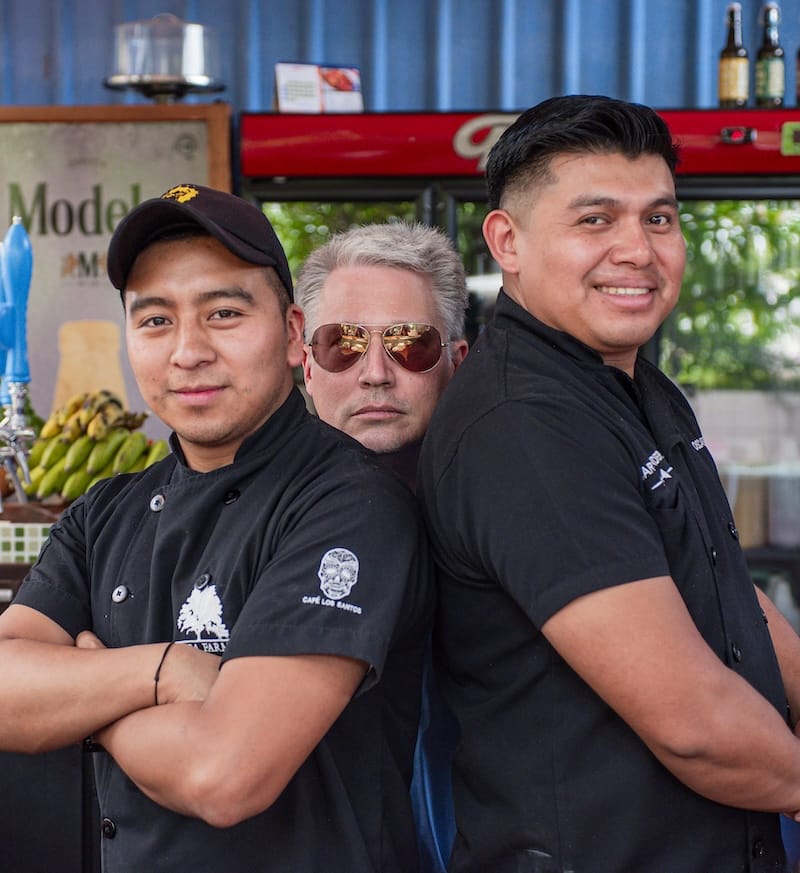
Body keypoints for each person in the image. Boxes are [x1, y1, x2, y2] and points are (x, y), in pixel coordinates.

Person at [416, 94, 800, 873]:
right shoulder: (524, 423)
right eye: (596, 220)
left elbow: (726, 589)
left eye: (658, 219)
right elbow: (691, 722)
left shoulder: (634, 384)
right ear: (507, 241)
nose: (638, 249)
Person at [0, 184, 433, 873]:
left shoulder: (350, 503)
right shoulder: (102, 511)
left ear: (293, 335)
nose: (188, 350)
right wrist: (163, 671)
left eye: (224, 313)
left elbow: (225, 774)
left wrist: (87, 697)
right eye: (155, 321)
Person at [295, 221, 469, 872]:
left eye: (409, 344)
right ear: (305, 361)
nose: (375, 373)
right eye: (342, 345)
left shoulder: (512, 507)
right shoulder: (258, 513)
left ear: (458, 359)